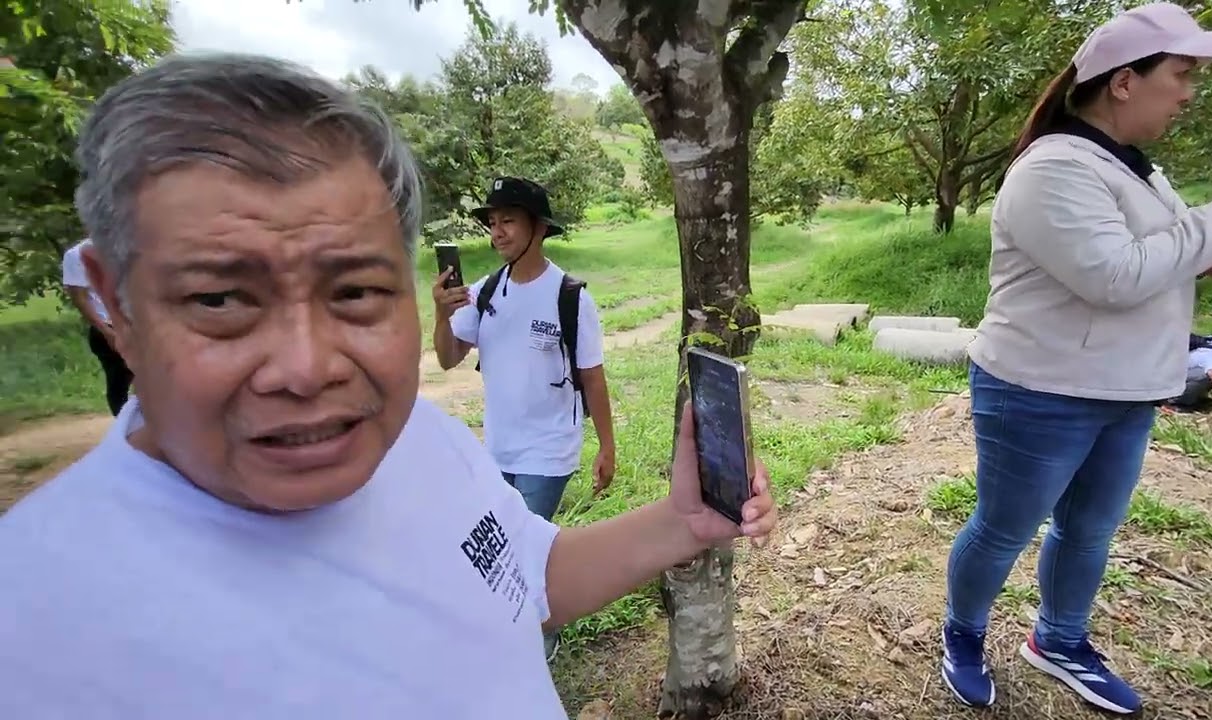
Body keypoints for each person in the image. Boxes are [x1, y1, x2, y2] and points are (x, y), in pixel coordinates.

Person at [0, 52, 778, 720]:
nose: (308, 370)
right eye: (220, 300)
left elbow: (530, 578)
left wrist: (681, 523)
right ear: (111, 306)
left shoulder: (421, 439)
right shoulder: (37, 634)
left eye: (356, 292)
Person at [942, 3, 1212, 715]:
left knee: (1089, 530)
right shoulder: (1054, 166)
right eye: (1182, 73)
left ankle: (1059, 641)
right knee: (1003, 528)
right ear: (1124, 81)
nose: (1190, 92)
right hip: (1041, 390)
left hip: (1125, 388)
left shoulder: (1135, 169)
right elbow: (1113, 274)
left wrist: (1201, 256)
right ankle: (963, 635)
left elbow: (1145, 257)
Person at [432, 177, 617, 661]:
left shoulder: (571, 297)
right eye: (492, 223)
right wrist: (439, 312)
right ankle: (515, 628)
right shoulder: (485, 292)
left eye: (508, 221)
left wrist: (607, 447)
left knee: (524, 547)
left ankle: (539, 634)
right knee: (501, 551)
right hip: (498, 449)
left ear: (538, 228)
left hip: (548, 449)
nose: (497, 232)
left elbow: (592, 378)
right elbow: (448, 358)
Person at [62, 237, 133, 415]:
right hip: (108, 326)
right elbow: (79, 298)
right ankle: (124, 430)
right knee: (119, 379)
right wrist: (106, 331)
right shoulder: (76, 255)